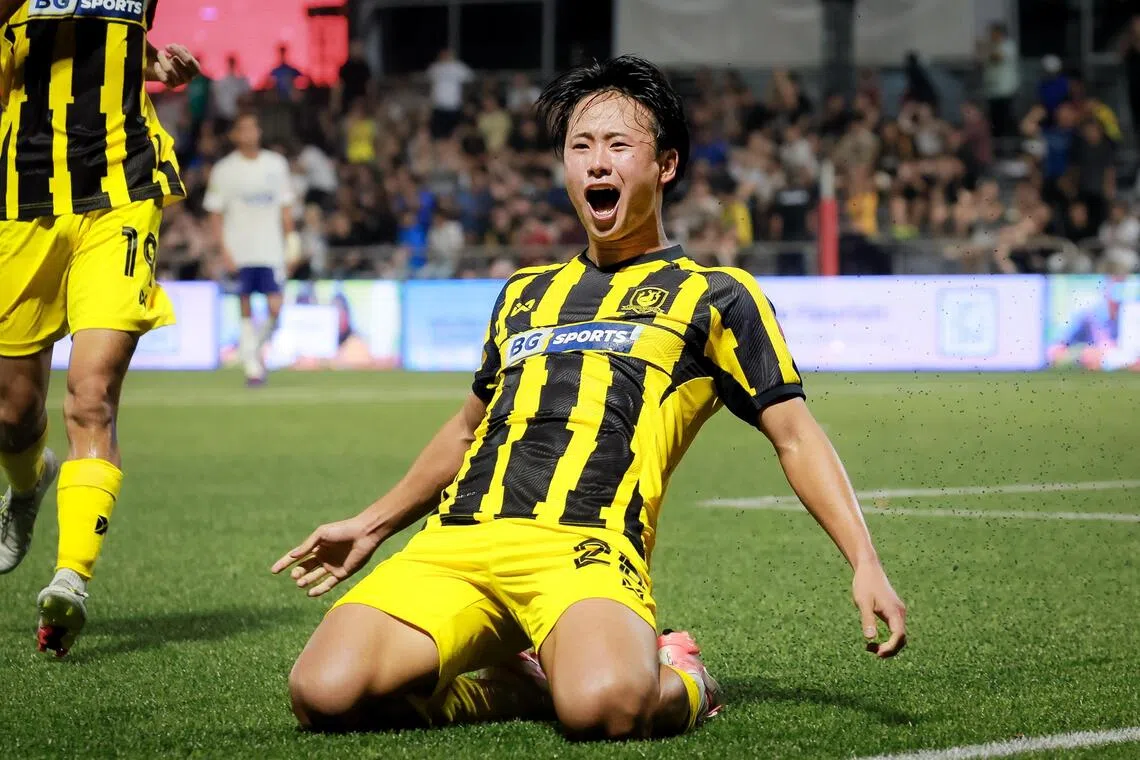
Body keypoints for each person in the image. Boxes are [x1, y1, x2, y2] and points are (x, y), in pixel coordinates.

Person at [273, 55, 907, 740]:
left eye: (618, 145)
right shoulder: (524, 292)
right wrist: (371, 526)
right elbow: (465, 432)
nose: (597, 163)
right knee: (323, 694)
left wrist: (864, 559)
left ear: (665, 165)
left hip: (587, 549)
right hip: (459, 542)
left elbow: (796, 435)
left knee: (605, 707)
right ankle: (515, 688)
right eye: (581, 146)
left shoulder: (716, 295)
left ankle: (685, 676)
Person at [0, 0, 199, 656]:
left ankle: (70, 580)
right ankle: (28, 481)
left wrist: (152, 61)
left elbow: (113, 34)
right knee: (11, 415)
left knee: (91, 395)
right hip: (22, 196)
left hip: (122, 190)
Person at [204, 113, 299, 386]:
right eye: (243, 129)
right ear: (234, 135)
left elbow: (286, 208)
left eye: (254, 127)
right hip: (240, 249)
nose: (250, 133)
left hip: (271, 248)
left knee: (275, 307)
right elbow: (215, 213)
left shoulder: (276, 164)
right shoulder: (224, 169)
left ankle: (252, 351)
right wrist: (224, 250)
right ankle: (253, 368)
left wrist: (292, 243)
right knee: (244, 305)